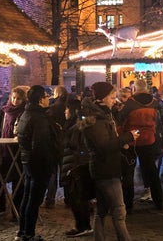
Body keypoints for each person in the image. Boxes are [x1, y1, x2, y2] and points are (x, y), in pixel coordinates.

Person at [80, 82, 137, 241]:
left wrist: (121, 141)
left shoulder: (102, 114)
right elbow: (103, 146)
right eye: (112, 97)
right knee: (119, 211)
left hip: (106, 165)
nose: (115, 100)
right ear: (103, 98)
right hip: (105, 167)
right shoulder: (95, 118)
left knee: (102, 210)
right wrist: (128, 137)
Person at [16, 85, 60, 241]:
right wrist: (49, 162)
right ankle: (29, 234)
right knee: (33, 201)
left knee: (27, 198)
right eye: (47, 97)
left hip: (28, 161)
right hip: (39, 164)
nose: (49, 99)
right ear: (41, 100)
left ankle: (22, 232)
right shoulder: (39, 118)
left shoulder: (26, 113)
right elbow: (40, 144)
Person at [120, 79, 163, 211]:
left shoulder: (130, 104)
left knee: (128, 173)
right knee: (152, 170)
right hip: (149, 140)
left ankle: (128, 205)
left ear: (134, 89)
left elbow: (121, 122)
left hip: (132, 141)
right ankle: (158, 201)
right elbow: (160, 123)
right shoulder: (155, 103)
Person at [0, 86, 28, 217]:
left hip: (18, 152)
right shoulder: (5, 111)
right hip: (4, 151)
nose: (15, 101)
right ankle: (1, 207)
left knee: (18, 182)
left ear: (24, 100)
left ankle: (17, 210)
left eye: (19, 99)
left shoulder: (25, 112)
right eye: (14, 98)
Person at [61, 98, 95, 237]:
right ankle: (81, 225)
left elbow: (76, 145)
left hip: (76, 165)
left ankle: (83, 226)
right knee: (76, 196)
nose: (65, 111)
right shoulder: (72, 124)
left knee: (78, 197)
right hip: (73, 163)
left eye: (67, 109)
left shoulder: (77, 126)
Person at [45, 86, 70, 208]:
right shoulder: (69, 106)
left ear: (57, 94)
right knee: (66, 171)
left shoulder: (52, 108)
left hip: (54, 144)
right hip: (67, 143)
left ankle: (50, 199)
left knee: (52, 173)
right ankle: (68, 199)